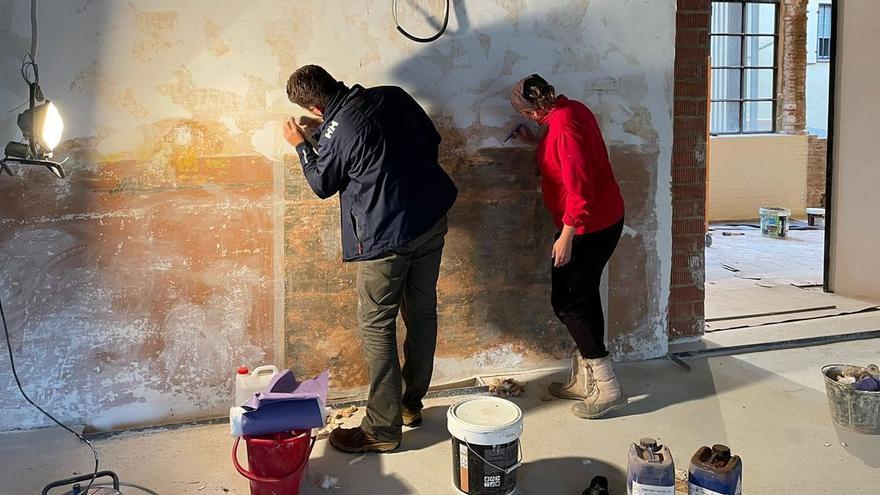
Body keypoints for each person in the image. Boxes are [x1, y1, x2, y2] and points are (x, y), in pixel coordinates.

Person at [282, 65, 457, 452]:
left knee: (377, 326)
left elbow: (322, 184)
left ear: (314, 105)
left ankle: (381, 429)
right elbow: (431, 139)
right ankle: (409, 406)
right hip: (430, 219)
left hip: (385, 240)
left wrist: (300, 143)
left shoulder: (337, 131)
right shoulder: (392, 95)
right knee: (422, 312)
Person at [509, 74, 626, 419]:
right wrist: (535, 142)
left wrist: (567, 235)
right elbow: (568, 156)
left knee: (569, 303)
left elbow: (580, 186)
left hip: (590, 227)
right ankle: (583, 379)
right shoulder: (570, 110)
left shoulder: (561, 127)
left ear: (531, 111)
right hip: (600, 219)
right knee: (584, 296)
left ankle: (607, 386)